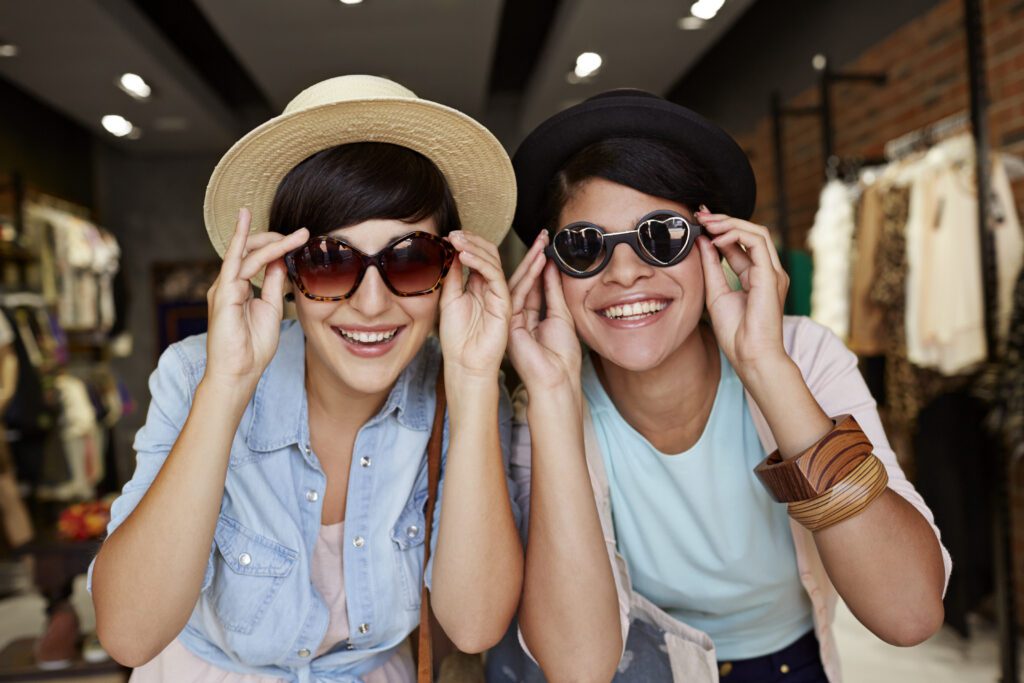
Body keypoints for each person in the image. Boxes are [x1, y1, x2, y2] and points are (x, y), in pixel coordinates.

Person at [495, 89, 951, 682]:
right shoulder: (542, 405)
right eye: (584, 248)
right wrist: (554, 399)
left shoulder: (802, 356)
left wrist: (765, 366)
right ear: (551, 271)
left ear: (714, 246)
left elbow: (910, 613)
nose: (626, 272)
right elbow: (578, 668)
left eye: (661, 236)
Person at [88, 75, 523, 681]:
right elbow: (130, 632)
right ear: (284, 275)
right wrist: (228, 385)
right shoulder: (195, 373)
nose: (372, 304)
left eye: (410, 258)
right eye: (329, 262)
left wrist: (475, 382)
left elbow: (474, 626)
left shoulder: (464, 389)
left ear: (451, 272)